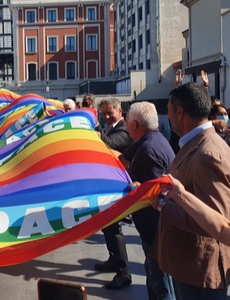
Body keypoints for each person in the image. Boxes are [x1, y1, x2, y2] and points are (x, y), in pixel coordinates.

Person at [157, 82, 230, 299]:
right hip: (191, 267)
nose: (168, 117)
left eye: (169, 111)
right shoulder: (195, 144)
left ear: (179, 112)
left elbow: (215, 221)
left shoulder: (208, 153)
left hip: (201, 271)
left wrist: (163, 205)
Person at [122, 102, 176, 300]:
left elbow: (156, 195)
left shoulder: (147, 151)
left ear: (134, 125)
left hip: (155, 232)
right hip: (156, 232)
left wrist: (138, 191)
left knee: (161, 285)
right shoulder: (154, 140)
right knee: (155, 280)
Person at [93, 98, 133, 290]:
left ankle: (124, 273)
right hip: (107, 188)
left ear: (120, 112)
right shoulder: (110, 127)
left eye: (110, 113)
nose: (107, 117)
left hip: (119, 190)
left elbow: (110, 144)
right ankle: (113, 259)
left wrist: (95, 125)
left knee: (115, 230)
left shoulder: (124, 130)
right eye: (104, 114)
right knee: (108, 227)